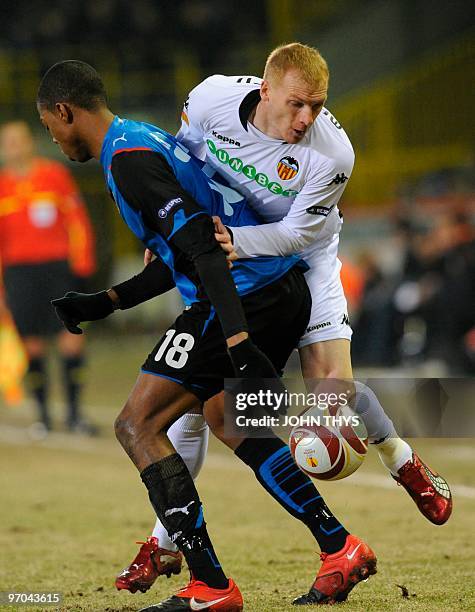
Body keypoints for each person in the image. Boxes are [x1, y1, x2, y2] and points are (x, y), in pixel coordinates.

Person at [115, 42, 452, 598]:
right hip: (233, 270)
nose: (306, 119)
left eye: (317, 106)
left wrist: (225, 241)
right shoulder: (209, 101)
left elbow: (297, 234)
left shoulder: (333, 153)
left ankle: (403, 462)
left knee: (325, 407)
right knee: (200, 408)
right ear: (263, 90)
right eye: (296, 105)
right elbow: (181, 165)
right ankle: (167, 543)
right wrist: (169, 235)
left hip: (301, 264)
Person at [38, 60, 377, 609]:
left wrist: (239, 341)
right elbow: (185, 250)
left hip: (245, 294)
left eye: (51, 128)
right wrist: (107, 301)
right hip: (271, 290)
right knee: (226, 421)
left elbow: (202, 248)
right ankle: (341, 548)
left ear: (64, 112)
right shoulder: (140, 138)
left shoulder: (128, 160)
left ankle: (210, 585)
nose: (54, 139)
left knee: (137, 424)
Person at [0, 120, 96, 435]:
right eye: (8, 141)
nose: (14, 146)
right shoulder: (2, 187)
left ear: (31, 142)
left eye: (19, 139)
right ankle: (42, 417)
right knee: (31, 344)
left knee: (71, 339)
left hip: (58, 268)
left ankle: (74, 414)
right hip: (18, 272)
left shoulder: (54, 176)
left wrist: (81, 266)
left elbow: (77, 220)